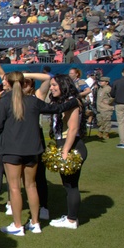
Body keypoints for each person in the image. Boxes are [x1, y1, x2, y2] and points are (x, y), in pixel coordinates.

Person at [0, 71, 81, 235]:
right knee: (31, 186)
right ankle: (35, 223)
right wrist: (74, 101)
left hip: (12, 150)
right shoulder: (33, 101)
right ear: (24, 83)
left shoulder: (5, 100)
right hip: (33, 150)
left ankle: (17, 226)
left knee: (15, 187)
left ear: (8, 84)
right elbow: (56, 108)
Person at [46, 75, 88, 229]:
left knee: (71, 185)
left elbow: (73, 128)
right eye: (51, 85)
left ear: (63, 85)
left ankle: (71, 220)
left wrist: (65, 151)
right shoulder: (64, 101)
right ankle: (71, 216)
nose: (51, 88)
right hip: (66, 144)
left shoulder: (71, 101)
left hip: (71, 146)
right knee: (68, 184)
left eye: (55, 85)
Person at [93, 75, 114, 139]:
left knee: (106, 121)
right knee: (100, 121)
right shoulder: (100, 88)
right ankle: (100, 132)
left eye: (102, 81)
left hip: (106, 108)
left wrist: (108, 101)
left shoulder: (108, 88)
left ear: (106, 82)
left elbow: (113, 96)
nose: (101, 82)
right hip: (100, 108)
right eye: (100, 81)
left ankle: (106, 133)